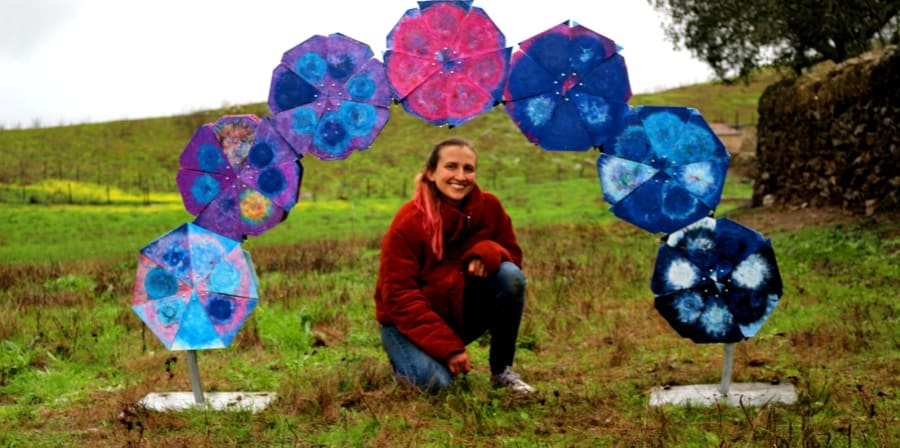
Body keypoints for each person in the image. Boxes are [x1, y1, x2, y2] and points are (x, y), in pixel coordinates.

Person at [374, 137, 535, 393]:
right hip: (406, 325)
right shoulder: (408, 222)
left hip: (456, 312)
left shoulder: (489, 207)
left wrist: (488, 251)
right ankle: (409, 361)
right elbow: (399, 297)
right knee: (439, 385)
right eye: (451, 166)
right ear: (431, 172)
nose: (460, 176)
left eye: (468, 168)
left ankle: (502, 371)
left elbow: (514, 257)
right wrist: (449, 348)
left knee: (509, 275)